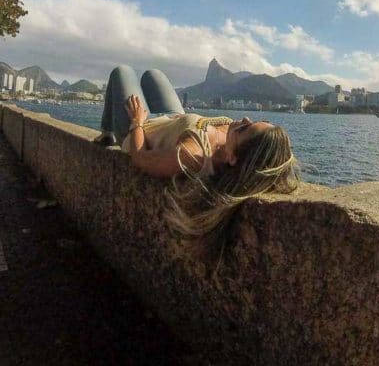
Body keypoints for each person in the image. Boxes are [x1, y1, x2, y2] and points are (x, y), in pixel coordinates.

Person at [98, 65, 299, 263]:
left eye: (245, 128)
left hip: (141, 127)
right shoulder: (230, 136)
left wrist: (136, 121)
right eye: (255, 120)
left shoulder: (192, 154)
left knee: (122, 71)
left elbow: (141, 157)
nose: (245, 118)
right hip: (172, 115)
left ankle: (108, 132)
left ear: (232, 158)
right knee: (153, 74)